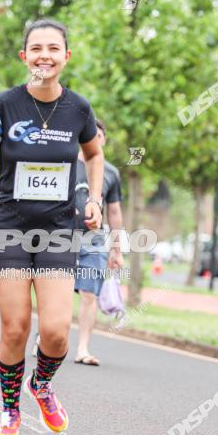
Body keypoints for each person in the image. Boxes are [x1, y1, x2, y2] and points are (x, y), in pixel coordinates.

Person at [0, 19, 106, 435]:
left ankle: (40, 385)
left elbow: (94, 154)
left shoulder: (79, 108)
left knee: (58, 330)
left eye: (53, 48)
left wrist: (93, 199)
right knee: (16, 327)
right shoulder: (3, 104)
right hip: (8, 229)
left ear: (66, 57)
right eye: (36, 48)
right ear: (24, 56)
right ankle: (9, 412)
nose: (45, 55)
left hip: (60, 230)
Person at [71, 119, 125, 366]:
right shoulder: (66, 162)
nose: (96, 139)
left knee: (89, 293)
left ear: (104, 140)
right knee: (54, 289)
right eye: (92, 134)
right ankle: (48, 337)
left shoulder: (111, 173)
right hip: (61, 236)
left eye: (100, 135)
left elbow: (114, 212)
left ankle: (82, 348)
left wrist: (117, 249)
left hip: (94, 239)